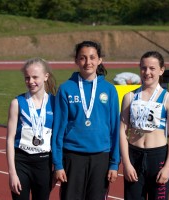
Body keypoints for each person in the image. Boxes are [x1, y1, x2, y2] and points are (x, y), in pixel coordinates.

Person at [52, 40, 120, 200]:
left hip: (101, 157)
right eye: (82, 58)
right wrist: (58, 163)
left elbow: (115, 128)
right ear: (76, 60)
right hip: (72, 156)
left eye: (92, 57)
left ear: (99, 60)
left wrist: (114, 163)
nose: (88, 62)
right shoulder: (66, 88)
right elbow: (58, 128)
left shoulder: (109, 90)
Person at [119, 51, 169, 200]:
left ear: (161, 70)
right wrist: (126, 163)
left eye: (152, 68)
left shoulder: (168, 99)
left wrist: (167, 167)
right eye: (144, 68)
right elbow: (122, 131)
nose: (147, 72)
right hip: (134, 157)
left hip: (158, 158)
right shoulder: (130, 97)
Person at [6, 57, 56, 200]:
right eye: (27, 78)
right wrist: (12, 173)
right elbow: (10, 139)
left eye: (35, 77)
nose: (31, 81)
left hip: (44, 163)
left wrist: (57, 167)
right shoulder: (17, 103)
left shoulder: (54, 103)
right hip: (21, 162)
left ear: (46, 77)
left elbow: (58, 137)